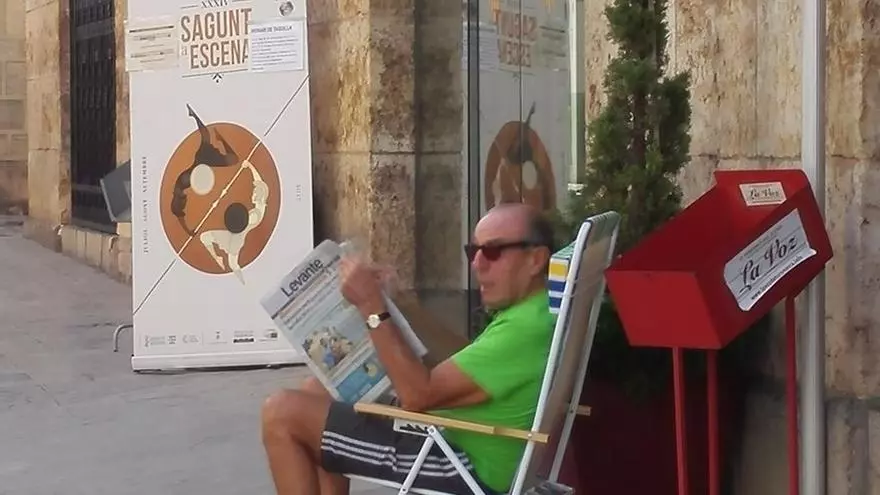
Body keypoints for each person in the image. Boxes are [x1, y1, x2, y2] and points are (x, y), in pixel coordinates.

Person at [260, 203, 557, 495]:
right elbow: (461, 357)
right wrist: (403, 304)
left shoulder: (525, 329)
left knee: (281, 413)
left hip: (462, 464)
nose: (477, 264)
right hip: (453, 435)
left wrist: (371, 306)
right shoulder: (533, 312)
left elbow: (416, 396)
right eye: (473, 251)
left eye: (492, 251)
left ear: (535, 259)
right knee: (317, 390)